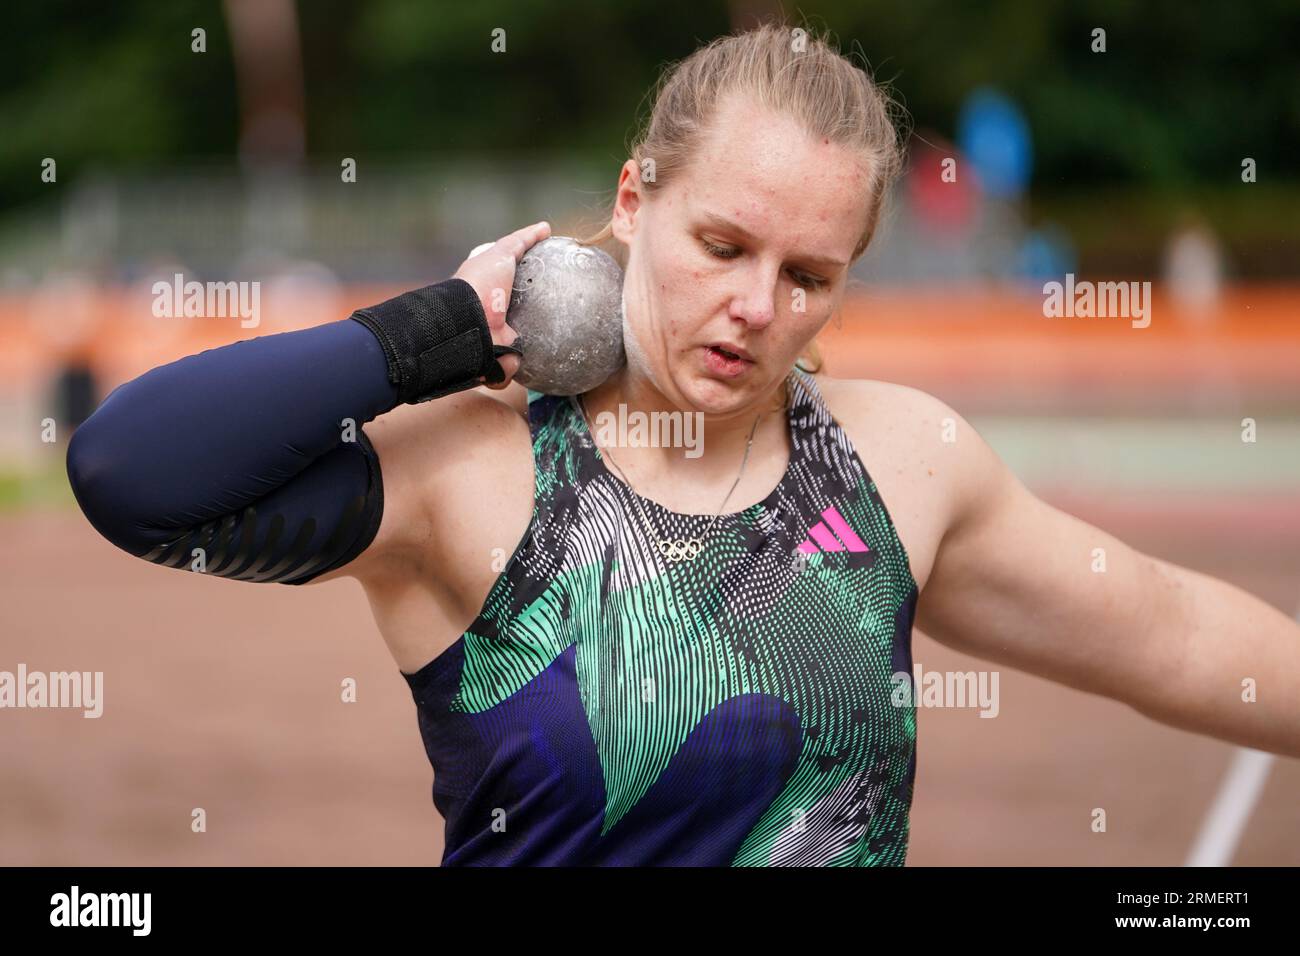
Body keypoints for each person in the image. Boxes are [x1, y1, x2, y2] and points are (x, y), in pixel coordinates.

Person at [65, 22, 1299, 867]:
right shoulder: (473, 473)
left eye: (808, 273)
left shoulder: (902, 464)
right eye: (723, 246)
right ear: (632, 199)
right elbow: (133, 472)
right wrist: (430, 333)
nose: (759, 306)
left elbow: (1172, 631)